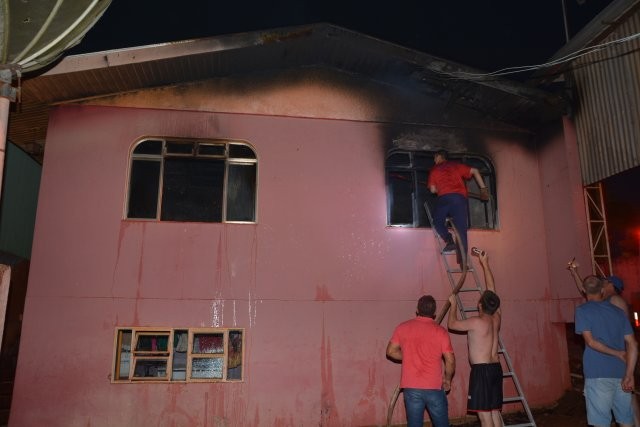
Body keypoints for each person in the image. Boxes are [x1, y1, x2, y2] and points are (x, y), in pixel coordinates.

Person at [568, 260, 640, 427]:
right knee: (626, 418)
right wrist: (629, 372)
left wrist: (620, 355)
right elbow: (633, 344)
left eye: (607, 281)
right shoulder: (614, 308)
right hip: (620, 371)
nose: (605, 282)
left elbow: (591, 342)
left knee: (606, 420)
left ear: (609, 287)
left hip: (600, 373)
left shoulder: (611, 303)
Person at [447, 249, 502, 427]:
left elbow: (452, 324)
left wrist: (453, 305)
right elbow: (492, 290)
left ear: (479, 305)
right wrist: (485, 264)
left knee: (485, 416)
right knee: (494, 412)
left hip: (482, 372)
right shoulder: (497, 316)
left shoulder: (476, 322)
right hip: (495, 368)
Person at [386, 295, 455, 427]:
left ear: (417, 309)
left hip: (411, 388)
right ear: (434, 313)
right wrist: (447, 380)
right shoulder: (441, 332)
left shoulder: (403, 327)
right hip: (434, 388)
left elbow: (390, 351)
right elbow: (450, 361)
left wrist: (408, 355)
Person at [427, 149, 489, 254]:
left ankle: (449, 240)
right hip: (459, 199)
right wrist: (483, 190)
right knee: (461, 228)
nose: (434, 160)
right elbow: (475, 171)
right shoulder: (455, 165)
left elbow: (433, 190)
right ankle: (464, 260)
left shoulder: (434, 170)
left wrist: (442, 189)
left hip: (444, 199)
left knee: (437, 221)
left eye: (435, 157)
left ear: (439, 157)